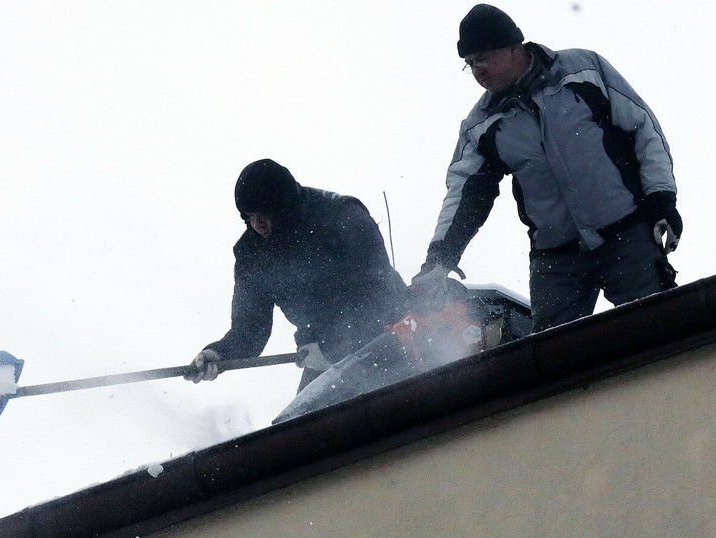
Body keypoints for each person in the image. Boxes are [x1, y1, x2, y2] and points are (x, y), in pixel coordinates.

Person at [411, 4, 683, 332]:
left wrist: (662, 200)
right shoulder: (481, 126)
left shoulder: (583, 71)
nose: (477, 70)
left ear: (513, 47)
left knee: (663, 332)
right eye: (469, 64)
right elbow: (466, 193)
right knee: (551, 360)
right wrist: (440, 257)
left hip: (627, 236)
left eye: (483, 58)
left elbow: (644, 130)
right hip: (557, 261)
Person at [187, 159, 409, 391]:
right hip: (321, 357)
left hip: (392, 338)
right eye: (249, 216)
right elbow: (251, 329)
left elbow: (379, 294)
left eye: (263, 214)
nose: (257, 224)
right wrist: (220, 354)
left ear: (281, 204)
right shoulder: (252, 256)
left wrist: (333, 349)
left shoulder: (341, 217)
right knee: (304, 423)